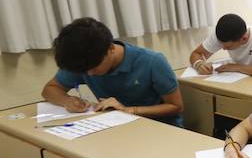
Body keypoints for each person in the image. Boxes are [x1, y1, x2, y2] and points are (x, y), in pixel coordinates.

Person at [41, 18, 183, 126]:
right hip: (113, 127)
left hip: (159, 128)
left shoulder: (152, 61)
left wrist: (130, 110)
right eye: (85, 70)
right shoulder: (85, 62)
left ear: (110, 49)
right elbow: (50, 89)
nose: (89, 74)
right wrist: (67, 101)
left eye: (94, 67)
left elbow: (176, 107)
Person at [188, 13, 252, 79]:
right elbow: (196, 53)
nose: (223, 48)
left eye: (228, 47)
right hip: (242, 78)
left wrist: (236, 67)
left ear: (243, 39)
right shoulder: (222, 34)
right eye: (221, 45)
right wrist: (199, 64)